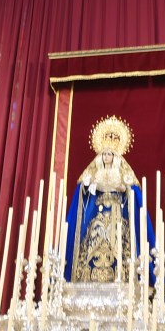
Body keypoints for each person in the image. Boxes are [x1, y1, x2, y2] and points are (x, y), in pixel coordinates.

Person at [64, 116, 155, 284]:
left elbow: (132, 189)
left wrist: (123, 187)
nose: (106, 157)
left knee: (120, 240)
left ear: (115, 156)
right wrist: (88, 185)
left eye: (109, 154)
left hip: (117, 212)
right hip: (98, 213)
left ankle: (122, 275)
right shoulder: (95, 172)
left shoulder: (122, 173)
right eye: (104, 154)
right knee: (92, 236)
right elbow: (83, 189)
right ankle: (86, 276)